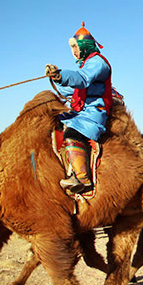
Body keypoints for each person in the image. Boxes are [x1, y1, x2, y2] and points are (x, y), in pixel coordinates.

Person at [45, 22, 112, 195]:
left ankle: (82, 178)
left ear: (85, 46)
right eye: (72, 48)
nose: (74, 51)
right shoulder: (85, 65)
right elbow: (72, 89)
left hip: (93, 111)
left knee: (71, 133)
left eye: (76, 47)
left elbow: (82, 79)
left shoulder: (98, 63)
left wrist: (61, 75)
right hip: (81, 110)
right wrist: (57, 80)